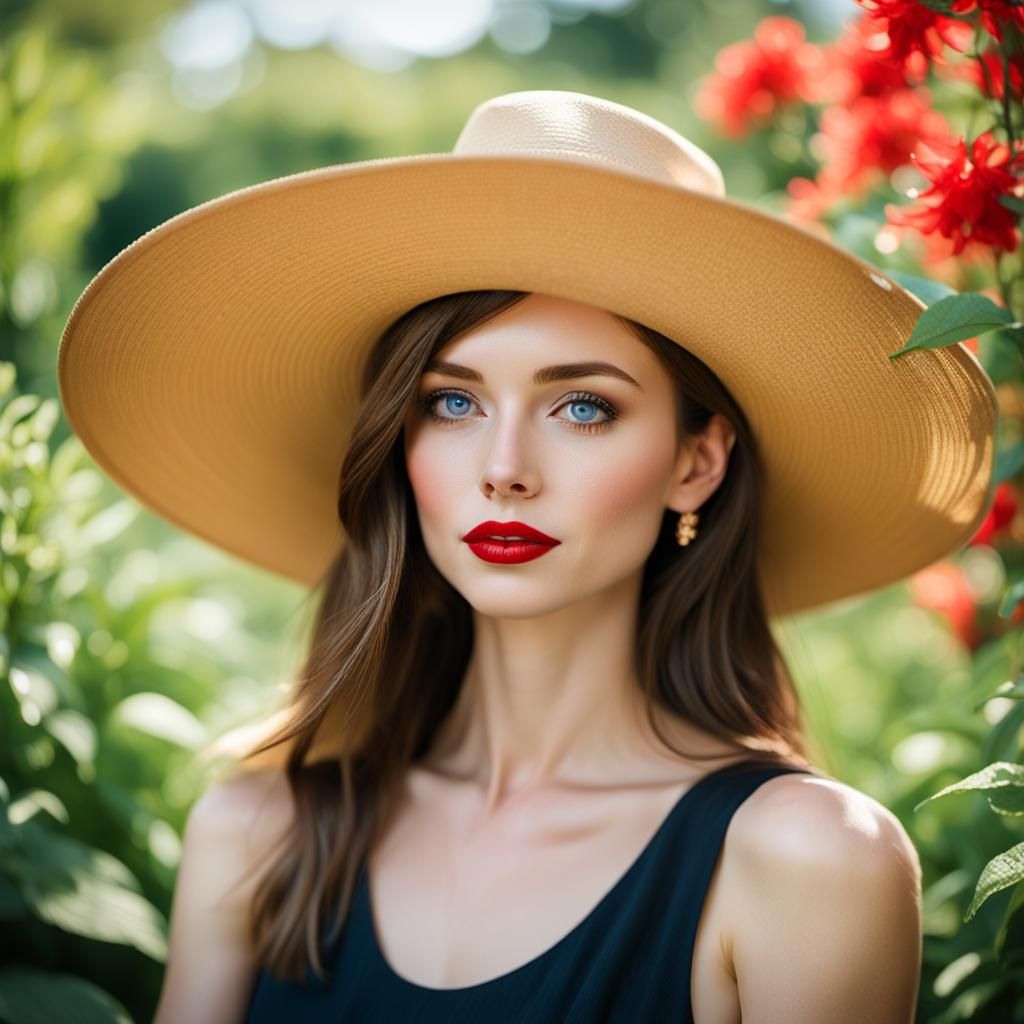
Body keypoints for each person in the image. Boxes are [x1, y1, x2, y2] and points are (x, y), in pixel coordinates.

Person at [57, 90, 997, 1023]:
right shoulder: (259, 832)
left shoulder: (810, 860)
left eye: (582, 406)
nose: (503, 471)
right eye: (452, 403)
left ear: (695, 462)